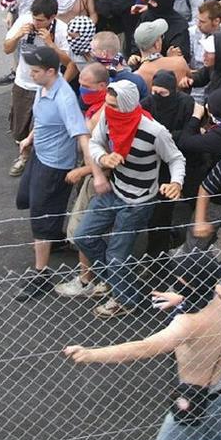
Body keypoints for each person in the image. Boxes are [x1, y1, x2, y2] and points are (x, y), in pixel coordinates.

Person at [63, 252, 221, 440]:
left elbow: (142, 348)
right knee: (212, 439)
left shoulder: (188, 323)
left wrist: (90, 354)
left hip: (197, 396)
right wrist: (181, 299)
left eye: (181, 280)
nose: (176, 282)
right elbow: (203, 294)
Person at [75, 79, 186, 318]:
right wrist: (103, 158)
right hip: (115, 190)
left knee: (117, 256)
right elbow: (94, 144)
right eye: (107, 103)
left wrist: (176, 182)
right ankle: (116, 282)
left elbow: (176, 158)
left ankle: (125, 300)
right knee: (83, 236)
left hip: (138, 202)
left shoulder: (154, 130)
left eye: (113, 105)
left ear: (126, 105)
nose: (107, 108)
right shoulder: (107, 119)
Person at [14, 45, 93, 300]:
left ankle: (41, 274)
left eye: (35, 71)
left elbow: (81, 135)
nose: (31, 74)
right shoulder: (43, 87)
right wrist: (30, 138)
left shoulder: (65, 98)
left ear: (51, 71)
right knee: (25, 199)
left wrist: (93, 172)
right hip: (40, 156)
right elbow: (42, 119)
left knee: (41, 216)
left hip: (55, 166)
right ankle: (54, 238)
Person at [4, 0, 71, 175]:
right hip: (23, 83)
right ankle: (24, 149)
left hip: (48, 87)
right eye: (34, 18)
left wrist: (51, 44)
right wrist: (18, 35)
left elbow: (68, 61)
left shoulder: (62, 30)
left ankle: (28, 160)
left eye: (40, 20)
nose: (36, 22)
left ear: (52, 17)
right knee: (19, 129)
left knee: (41, 128)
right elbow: (7, 48)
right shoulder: (24, 22)